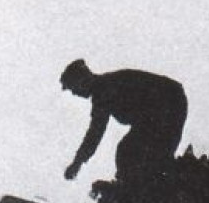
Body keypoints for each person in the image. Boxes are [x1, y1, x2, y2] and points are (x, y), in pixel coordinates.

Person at [60, 59, 188, 183]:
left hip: (169, 104)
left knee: (129, 152)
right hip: (166, 106)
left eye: (73, 88)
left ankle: (136, 192)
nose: (74, 94)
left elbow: (95, 133)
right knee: (139, 154)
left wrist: (77, 163)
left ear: (82, 81)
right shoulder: (104, 87)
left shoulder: (103, 91)